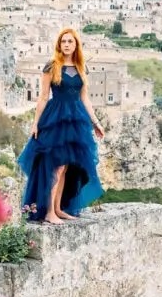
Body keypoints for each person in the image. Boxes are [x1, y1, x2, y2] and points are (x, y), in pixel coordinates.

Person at [18, 27, 105, 224]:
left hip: (76, 120)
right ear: (59, 44)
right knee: (56, 167)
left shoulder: (81, 67)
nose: (66, 45)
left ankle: (58, 209)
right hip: (56, 118)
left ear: (76, 45)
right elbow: (42, 97)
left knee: (66, 167)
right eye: (63, 41)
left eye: (70, 42)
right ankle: (49, 212)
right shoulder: (52, 66)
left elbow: (85, 99)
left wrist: (96, 123)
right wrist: (35, 123)